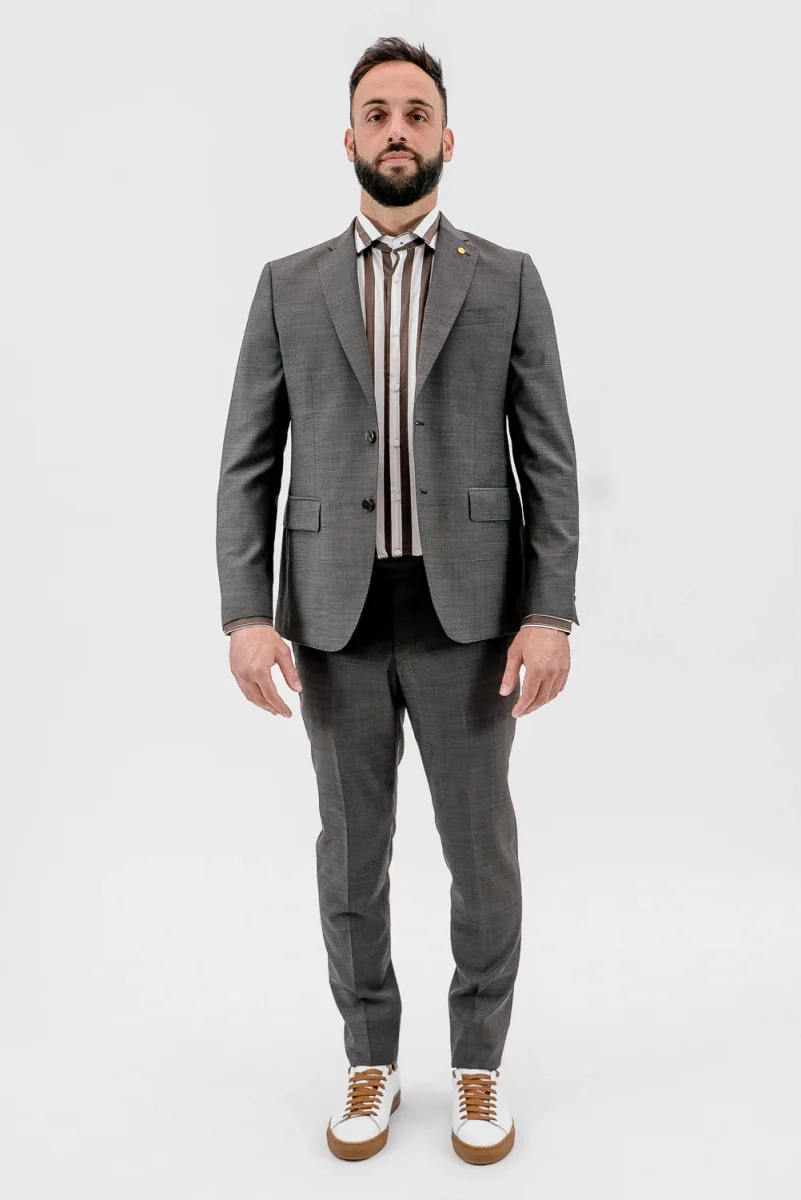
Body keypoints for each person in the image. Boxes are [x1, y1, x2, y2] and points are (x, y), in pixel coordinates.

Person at [216, 35, 580, 1166]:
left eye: (416, 113)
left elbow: (549, 458)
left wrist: (550, 612)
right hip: (330, 617)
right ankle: (368, 1054)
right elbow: (248, 462)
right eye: (377, 112)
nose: (396, 130)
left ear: (447, 137)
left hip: (471, 619)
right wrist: (245, 614)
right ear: (348, 137)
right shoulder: (288, 285)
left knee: (482, 853)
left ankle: (477, 1065)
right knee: (349, 857)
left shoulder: (504, 277)